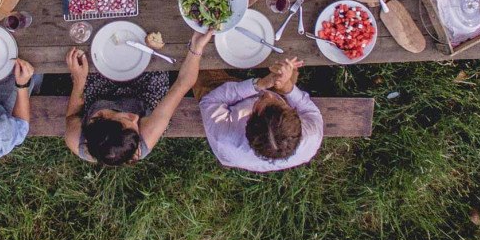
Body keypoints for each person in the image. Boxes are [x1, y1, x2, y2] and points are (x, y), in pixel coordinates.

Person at [64, 30, 213, 165]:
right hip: (144, 96)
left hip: (101, 94)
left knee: (95, 52)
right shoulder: (146, 134)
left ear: (100, 117)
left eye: (127, 119)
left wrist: (79, 80)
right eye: (135, 127)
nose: (135, 119)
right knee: (152, 59)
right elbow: (182, 84)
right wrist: (196, 48)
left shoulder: (75, 138)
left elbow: (72, 115)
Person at [194, 56, 323, 172]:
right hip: (279, 96)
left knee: (198, 64)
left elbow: (210, 100)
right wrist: (287, 87)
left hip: (230, 100)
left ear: (248, 118)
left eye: (260, 101)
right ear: (294, 114)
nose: (268, 94)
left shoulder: (223, 135)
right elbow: (308, 109)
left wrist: (258, 84)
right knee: (289, 62)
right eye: (279, 103)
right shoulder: (312, 136)